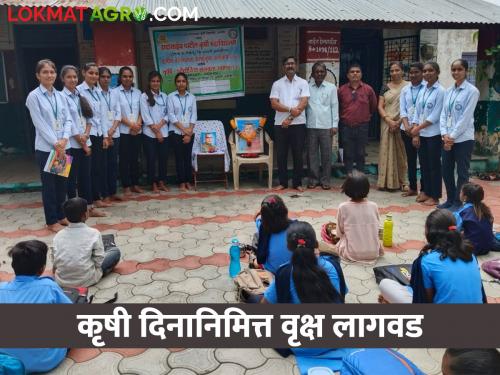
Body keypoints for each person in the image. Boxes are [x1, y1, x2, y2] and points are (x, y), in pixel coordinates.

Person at [261, 221, 350, 374]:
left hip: (302, 347)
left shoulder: (284, 272)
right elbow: (342, 296)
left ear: (289, 247)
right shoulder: (333, 266)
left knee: (256, 300)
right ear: (315, 244)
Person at [379, 209, 485, 304]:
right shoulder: (470, 254)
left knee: (385, 284)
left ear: (429, 233)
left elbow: (425, 300)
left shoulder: (426, 261)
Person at [0, 240, 71, 373]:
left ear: (13, 266)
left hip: (8, 359)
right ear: (42, 269)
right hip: (45, 359)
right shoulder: (48, 286)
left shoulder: (1, 289)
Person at [25, 59, 72, 232]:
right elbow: (39, 123)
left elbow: (68, 119)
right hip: (47, 149)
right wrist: (56, 143)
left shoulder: (60, 96)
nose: (49, 75)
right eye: (45, 72)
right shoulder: (34, 96)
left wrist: (65, 139)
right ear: (38, 75)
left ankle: (61, 215)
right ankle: (51, 220)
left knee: (61, 184)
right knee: (50, 186)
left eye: (52, 72)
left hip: (61, 147)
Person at [60, 65, 105, 218]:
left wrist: (86, 135)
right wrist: (83, 142)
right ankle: (69, 213)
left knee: (85, 177)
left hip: (84, 141)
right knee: (67, 180)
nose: (72, 79)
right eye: (69, 77)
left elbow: (89, 116)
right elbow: (67, 122)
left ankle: (88, 208)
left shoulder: (79, 95)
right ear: (63, 79)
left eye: (74, 76)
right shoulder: (60, 97)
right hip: (67, 145)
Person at [439, 59, 480, 210]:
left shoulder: (472, 91)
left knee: (462, 173)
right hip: (447, 138)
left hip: (463, 139)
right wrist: (444, 134)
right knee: (446, 170)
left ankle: (458, 202)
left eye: (459, 69)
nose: (456, 72)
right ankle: (449, 199)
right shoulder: (449, 91)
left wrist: (453, 136)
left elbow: (466, 117)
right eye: (453, 69)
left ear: (466, 71)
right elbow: (444, 114)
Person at [52, 197, 121, 287]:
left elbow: (54, 259)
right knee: (115, 252)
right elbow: (99, 261)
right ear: (85, 215)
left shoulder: (58, 235)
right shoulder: (94, 233)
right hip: (87, 279)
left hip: (62, 281)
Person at [270, 56, 310, 192]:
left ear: (296, 66)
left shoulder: (303, 83)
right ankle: (283, 182)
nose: (290, 66)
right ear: (283, 67)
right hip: (280, 125)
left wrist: (290, 118)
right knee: (281, 154)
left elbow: (303, 103)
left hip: (298, 124)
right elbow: (274, 103)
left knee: (298, 154)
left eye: (292, 63)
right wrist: (289, 110)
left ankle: (297, 183)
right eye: (287, 64)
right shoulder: (277, 84)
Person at [411, 62, 445, 207]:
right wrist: (416, 133)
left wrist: (417, 128)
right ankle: (425, 191)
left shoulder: (441, 91)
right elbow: (417, 111)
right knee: (423, 165)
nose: (427, 73)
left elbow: (435, 115)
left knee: (434, 165)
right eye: (425, 71)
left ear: (437, 72)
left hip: (434, 134)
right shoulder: (423, 89)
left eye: (430, 71)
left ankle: (435, 195)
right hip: (422, 133)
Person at [77, 63, 110, 209]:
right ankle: (83, 205)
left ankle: (95, 199)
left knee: (97, 168)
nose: (94, 76)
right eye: (91, 73)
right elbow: (77, 119)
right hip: (82, 138)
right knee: (82, 173)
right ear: (83, 73)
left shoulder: (97, 91)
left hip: (96, 134)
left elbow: (102, 116)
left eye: (96, 73)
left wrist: (105, 136)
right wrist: (84, 141)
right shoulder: (78, 91)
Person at [337, 63, 377, 175]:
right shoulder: (342, 90)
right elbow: (338, 106)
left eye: (357, 71)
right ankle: (349, 174)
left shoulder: (368, 89)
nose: (355, 74)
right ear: (348, 75)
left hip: (362, 126)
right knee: (348, 152)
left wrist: (364, 116)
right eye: (352, 72)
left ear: (361, 74)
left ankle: (360, 175)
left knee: (360, 152)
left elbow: (373, 106)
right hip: (346, 126)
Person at [336, 172, 383, 263]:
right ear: (367, 189)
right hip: (373, 252)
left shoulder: (343, 207)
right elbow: (377, 228)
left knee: (328, 232)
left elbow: (339, 233)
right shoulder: (374, 206)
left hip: (351, 253)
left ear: (346, 189)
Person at [306, 62, 339, 190]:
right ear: (312, 74)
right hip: (311, 126)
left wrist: (334, 125)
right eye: (317, 72)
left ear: (325, 73)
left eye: (322, 71)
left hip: (327, 126)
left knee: (326, 154)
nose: (319, 74)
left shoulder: (331, 88)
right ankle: (313, 179)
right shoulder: (307, 87)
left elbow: (334, 106)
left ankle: (326, 180)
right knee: (312, 154)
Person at [377, 61, 409, 191]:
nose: (394, 73)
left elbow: (410, 106)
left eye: (397, 70)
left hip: (403, 122)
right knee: (386, 151)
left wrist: (399, 121)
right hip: (387, 122)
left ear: (402, 71)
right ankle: (385, 181)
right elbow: (380, 106)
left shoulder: (408, 86)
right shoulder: (385, 87)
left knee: (402, 152)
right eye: (392, 71)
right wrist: (388, 120)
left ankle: (404, 181)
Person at [400, 62, 426, 198]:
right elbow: (402, 110)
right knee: (410, 159)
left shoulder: (427, 89)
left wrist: (416, 130)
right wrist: (406, 126)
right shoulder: (405, 89)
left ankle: (424, 189)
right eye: (411, 73)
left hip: (422, 129)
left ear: (422, 73)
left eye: (416, 72)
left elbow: (424, 112)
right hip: (406, 129)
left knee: (422, 161)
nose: (413, 75)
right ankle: (412, 187)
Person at [140, 71, 170, 193]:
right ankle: (153, 183)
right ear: (149, 82)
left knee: (163, 159)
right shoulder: (144, 96)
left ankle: (162, 181)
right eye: (153, 81)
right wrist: (157, 132)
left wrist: (161, 126)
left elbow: (168, 113)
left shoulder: (165, 96)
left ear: (160, 82)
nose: (155, 83)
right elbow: (145, 116)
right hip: (149, 134)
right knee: (151, 159)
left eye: (157, 81)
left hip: (164, 132)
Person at [168, 72, 197, 191]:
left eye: (183, 81)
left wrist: (189, 132)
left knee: (187, 158)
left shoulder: (192, 97)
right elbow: (171, 115)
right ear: (176, 83)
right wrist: (184, 130)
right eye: (179, 81)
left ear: (186, 83)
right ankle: (181, 182)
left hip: (189, 132)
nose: (181, 83)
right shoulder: (171, 97)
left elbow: (194, 115)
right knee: (179, 158)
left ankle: (188, 180)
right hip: (175, 132)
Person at [117, 66, 144, 196]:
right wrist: (130, 125)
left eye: (129, 76)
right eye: (124, 76)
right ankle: (126, 185)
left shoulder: (138, 93)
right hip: (123, 131)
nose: (127, 79)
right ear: (120, 78)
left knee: (135, 159)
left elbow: (141, 110)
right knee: (124, 159)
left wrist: (137, 124)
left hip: (137, 131)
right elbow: (116, 113)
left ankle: (135, 183)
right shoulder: (115, 92)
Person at [98, 66, 124, 203]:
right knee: (103, 165)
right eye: (103, 76)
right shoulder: (93, 93)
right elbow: (97, 117)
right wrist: (106, 135)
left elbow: (118, 113)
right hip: (101, 136)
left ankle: (112, 192)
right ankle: (104, 194)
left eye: (108, 77)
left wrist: (112, 130)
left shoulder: (115, 93)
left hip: (114, 133)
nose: (106, 79)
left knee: (113, 164)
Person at [454, 182, 500, 255]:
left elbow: (454, 231)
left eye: (460, 192)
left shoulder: (461, 212)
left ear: (465, 197)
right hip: (487, 247)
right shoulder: (485, 209)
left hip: (471, 250)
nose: (459, 194)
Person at [253, 195, 293, 274]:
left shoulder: (263, 228)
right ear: (285, 210)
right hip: (294, 270)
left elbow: (256, 219)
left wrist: (260, 214)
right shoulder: (296, 225)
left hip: (273, 271)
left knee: (256, 237)